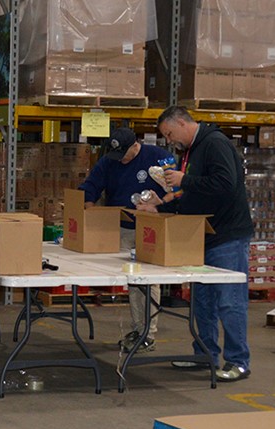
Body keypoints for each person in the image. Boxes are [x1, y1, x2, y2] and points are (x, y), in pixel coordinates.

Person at [136, 106, 254, 381]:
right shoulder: (191, 150)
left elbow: (226, 183)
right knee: (203, 301)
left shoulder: (214, 143)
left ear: (181, 122)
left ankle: (238, 361)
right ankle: (204, 354)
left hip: (227, 236)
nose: (169, 140)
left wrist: (184, 179)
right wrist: (161, 207)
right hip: (203, 236)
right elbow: (194, 195)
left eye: (170, 133)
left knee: (229, 301)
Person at [78, 127, 171, 353]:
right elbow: (88, 189)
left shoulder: (157, 157)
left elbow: (176, 191)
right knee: (133, 283)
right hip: (122, 229)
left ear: (135, 145)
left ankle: (148, 333)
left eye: (124, 155)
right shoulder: (109, 161)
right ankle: (139, 329)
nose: (120, 161)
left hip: (150, 228)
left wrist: (159, 204)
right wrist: (93, 214)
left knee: (148, 282)